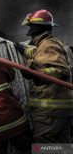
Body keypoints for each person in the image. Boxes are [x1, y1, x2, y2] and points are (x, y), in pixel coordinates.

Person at [16, 9, 73, 143]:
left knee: (42, 143)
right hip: (59, 109)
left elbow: (60, 71)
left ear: (35, 28)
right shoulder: (48, 43)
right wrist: (25, 51)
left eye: (30, 26)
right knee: (61, 143)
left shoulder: (48, 45)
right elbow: (42, 56)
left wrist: (32, 71)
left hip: (51, 110)